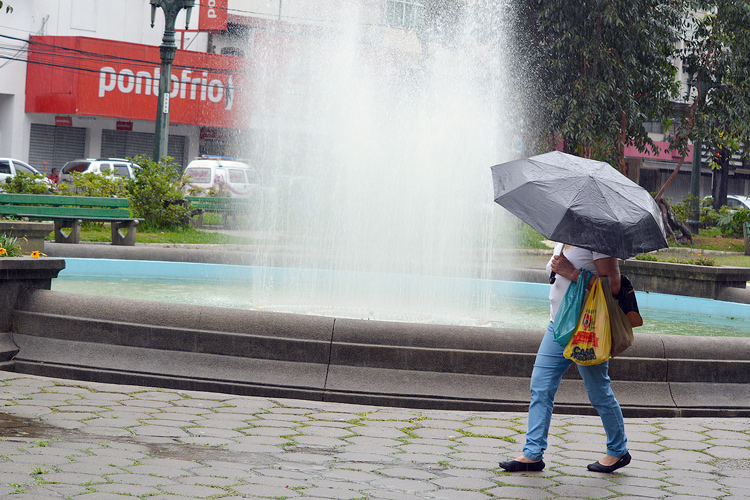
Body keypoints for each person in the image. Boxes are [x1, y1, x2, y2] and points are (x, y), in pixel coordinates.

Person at [499, 243, 631, 473]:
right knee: (540, 385)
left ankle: (618, 450)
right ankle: (533, 453)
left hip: (588, 330)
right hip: (558, 326)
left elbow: (615, 285)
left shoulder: (599, 241)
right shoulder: (565, 237)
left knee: (598, 391)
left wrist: (572, 273)